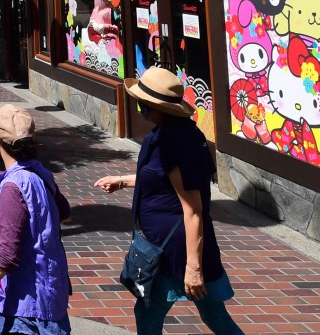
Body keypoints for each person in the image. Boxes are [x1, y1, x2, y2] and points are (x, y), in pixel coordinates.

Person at [94, 67, 243, 335]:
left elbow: (194, 210)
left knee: (149, 314)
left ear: (160, 108)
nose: (141, 111)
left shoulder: (174, 143)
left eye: (144, 106)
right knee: (214, 314)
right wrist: (122, 180)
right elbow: (162, 179)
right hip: (174, 247)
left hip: (172, 252)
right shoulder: (174, 135)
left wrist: (193, 269)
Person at [0, 104, 72, 334]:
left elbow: (7, 256)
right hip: (50, 298)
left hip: (26, 309)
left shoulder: (13, 187)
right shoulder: (40, 173)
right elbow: (64, 212)